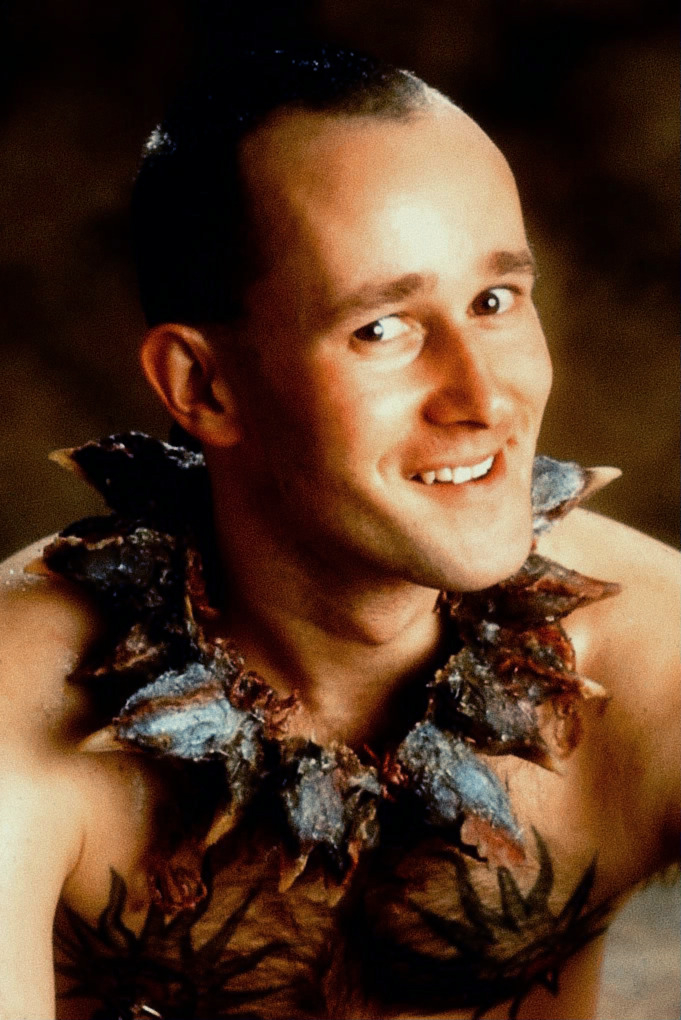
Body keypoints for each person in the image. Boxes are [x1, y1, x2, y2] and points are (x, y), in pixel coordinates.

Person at [0, 41, 677, 1020]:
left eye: (494, 302)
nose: (486, 399)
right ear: (204, 385)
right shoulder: (22, 714)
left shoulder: (653, 654)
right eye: (381, 329)